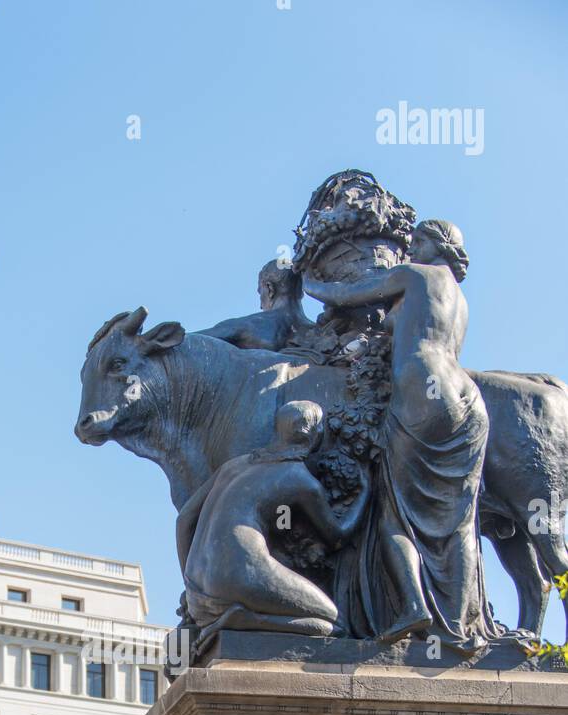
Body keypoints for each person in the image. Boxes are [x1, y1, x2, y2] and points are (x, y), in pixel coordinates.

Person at [304, 220, 494, 651]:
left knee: (393, 512)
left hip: (422, 393)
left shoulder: (416, 276)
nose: (409, 250)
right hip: (467, 398)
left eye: (418, 242)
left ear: (436, 245)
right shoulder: (459, 300)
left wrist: (312, 282)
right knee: (460, 519)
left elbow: (347, 294)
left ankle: (412, 606)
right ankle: (458, 625)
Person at [178, 401, 370, 643]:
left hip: (198, 592)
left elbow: (184, 520)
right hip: (238, 577)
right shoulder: (301, 480)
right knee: (333, 623)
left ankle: (235, 617)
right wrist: (364, 492)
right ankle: (246, 620)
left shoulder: (234, 465)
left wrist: (190, 587)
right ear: (315, 433)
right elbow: (337, 536)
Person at [197, 261, 312, 352]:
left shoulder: (248, 326)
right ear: (301, 291)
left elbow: (187, 342)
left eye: (260, 292)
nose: (260, 307)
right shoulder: (321, 331)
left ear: (270, 289)